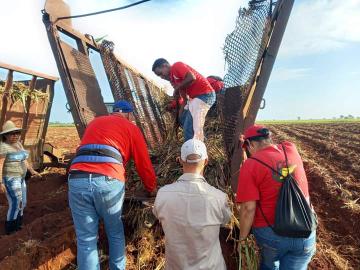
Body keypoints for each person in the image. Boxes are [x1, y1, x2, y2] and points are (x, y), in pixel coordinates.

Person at [68, 100, 157, 270]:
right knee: (115, 233)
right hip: (108, 179)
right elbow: (143, 163)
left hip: (77, 177)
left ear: (113, 112)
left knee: (86, 239)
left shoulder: (95, 122)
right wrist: (151, 188)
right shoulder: (131, 127)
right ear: (129, 115)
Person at [236, 124, 316, 270]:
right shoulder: (290, 148)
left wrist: (242, 239)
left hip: (272, 236)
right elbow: (272, 156)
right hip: (305, 231)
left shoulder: (250, 165)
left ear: (250, 144)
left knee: (270, 263)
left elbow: (248, 208)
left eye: (247, 149)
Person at [153, 139, 231, 270]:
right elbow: (226, 220)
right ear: (206, 161)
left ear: (181, 160)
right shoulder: (219, 198)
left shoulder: (163, 194)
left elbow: (157, 214)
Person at [152, 58, 216, 141]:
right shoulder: (173, 81)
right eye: (159, 76)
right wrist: (179, 116)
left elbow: (192, 77)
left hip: (205, 95)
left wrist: (177, 88)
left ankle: (194, 150)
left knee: (188, 129)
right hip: (195, 99)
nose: (161, 77)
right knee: (183, 120)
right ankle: (200, 142)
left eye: (160, 73)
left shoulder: (176, 66)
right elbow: (185, 100)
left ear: (165, 65)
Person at [0, 120, 41, 235]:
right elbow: (0, 164)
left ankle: (18, 226)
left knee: (23, 203)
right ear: (6, 135)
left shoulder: (18, 145)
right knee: (15, 202)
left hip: (21, 178)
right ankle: (10, 230)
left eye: (16, 133)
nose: (15, 135)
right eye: (12, 133)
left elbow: (25, 160)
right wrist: (0, 182)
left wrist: (32, 171)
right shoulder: (4, 147)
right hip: (10, 179)